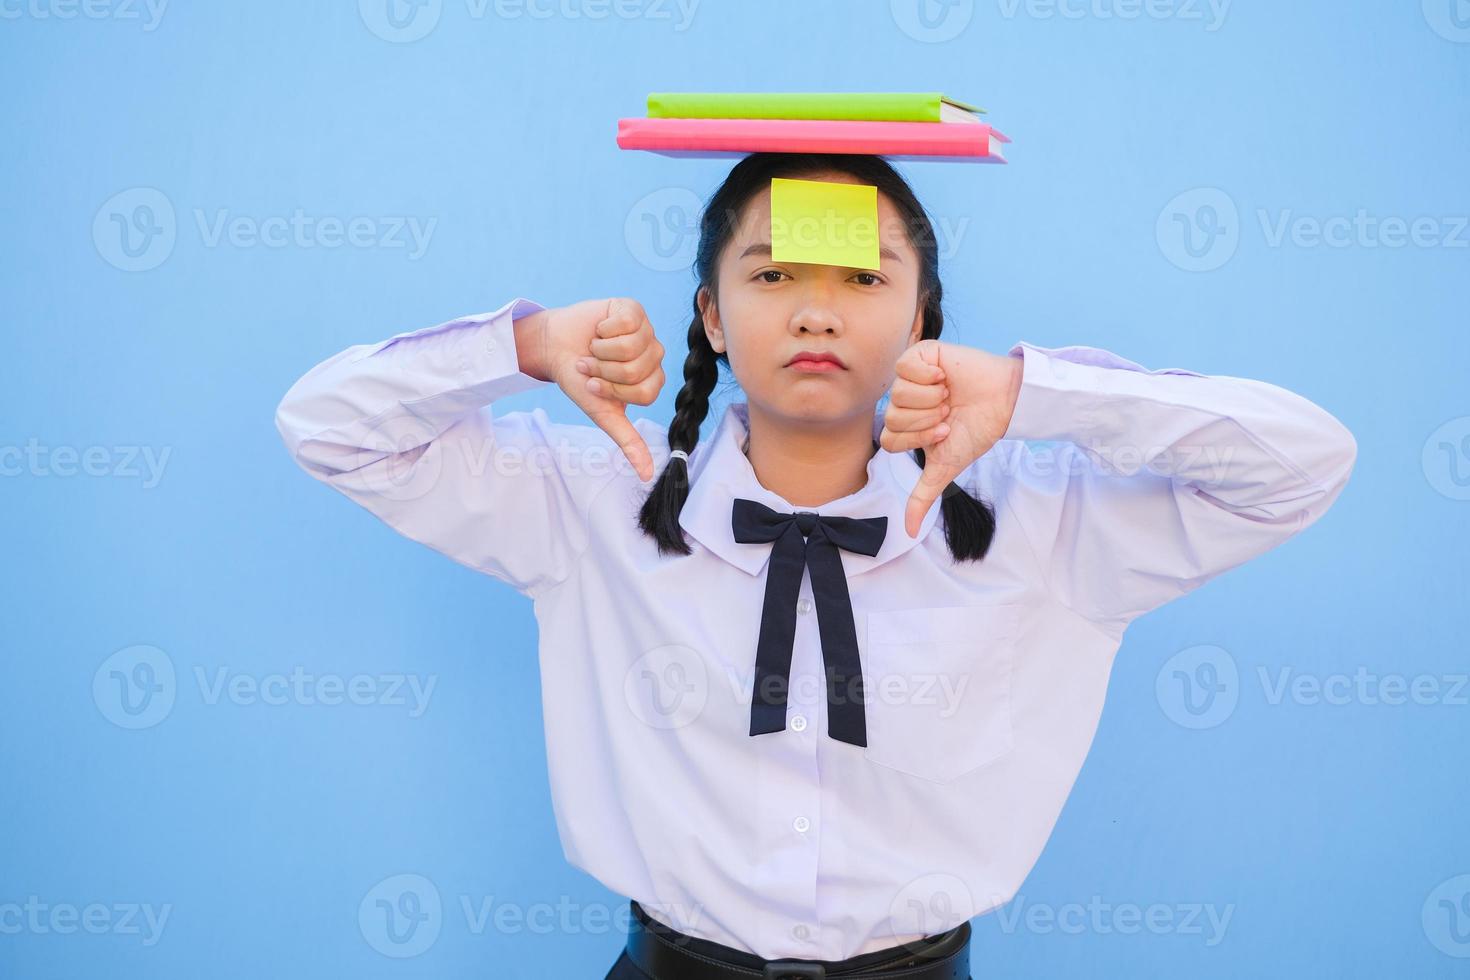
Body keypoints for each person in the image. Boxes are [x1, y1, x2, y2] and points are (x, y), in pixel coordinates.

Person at [274, 152, 1356, 979]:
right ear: (710, 312)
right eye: (773, 270)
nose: (815, 308)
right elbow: (327, 426)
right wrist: (520, 345)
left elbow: (1303, 465)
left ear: (924, 316)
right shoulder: (591, 496)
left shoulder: (1039, 519)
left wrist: (1038, 391)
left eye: (863, 275)